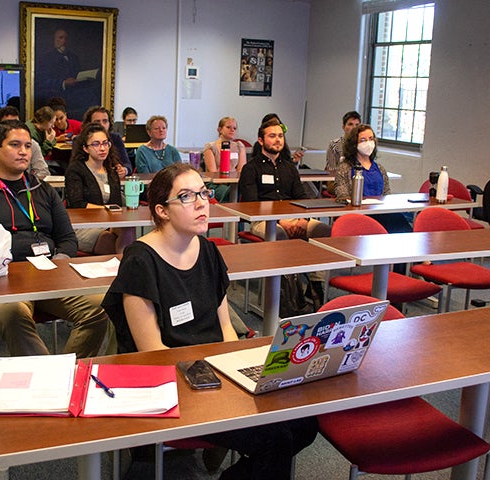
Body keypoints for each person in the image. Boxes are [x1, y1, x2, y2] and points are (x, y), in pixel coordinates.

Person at [101, 163, 318, 479]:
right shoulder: (140, 261)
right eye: (187, 196)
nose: (202, 202)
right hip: (175, 380)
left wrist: (239, 378)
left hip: (217, 372)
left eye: (203, 192)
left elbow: (225, 328)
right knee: (275, 440)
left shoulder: (207, 251)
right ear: (161, 210)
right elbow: (154, 352)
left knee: (306, 423)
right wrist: (218, 390)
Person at [0, 120, 115, 359]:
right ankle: (48, 381)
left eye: (27, 145)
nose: (24, 151)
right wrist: (0, 267)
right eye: (15, 145)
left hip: (48, 276)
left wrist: (57, 264)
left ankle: (69, 374)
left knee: (103, 308)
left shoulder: (42, 189)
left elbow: (66, 237)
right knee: (13, 314)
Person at [239, 118, 330, 299]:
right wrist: (280, 220)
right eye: (272, 136)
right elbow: (251, 204)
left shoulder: (290, 168)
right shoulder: (251, 168)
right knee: (279, 233)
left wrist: (303, 220)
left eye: (280, 136)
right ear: (261, 140)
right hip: (262, 221)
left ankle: (316, 285)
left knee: (324, 230)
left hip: (294, 217)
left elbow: (302, 197)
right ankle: (286, 288)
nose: (278, 140)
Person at [65, 123, 134, 254]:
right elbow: (77, 203)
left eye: (105, 143)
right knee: (107, 238)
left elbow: (117, 202)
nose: (102, 148)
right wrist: (106, 210)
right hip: (84, 225)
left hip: (109, 222)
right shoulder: (76, 170)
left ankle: (125, 269)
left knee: (128, 228)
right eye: (96, 144)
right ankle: (115, 269)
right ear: (86, 148)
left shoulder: (111, 170)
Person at [336, 124, 412, 234]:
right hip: (358, 214)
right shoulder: (344, 168)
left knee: (402, 225)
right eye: (363, 140)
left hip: (381, 212)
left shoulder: (380, 169)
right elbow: (342, 196)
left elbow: (386, 194)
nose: (368, 143)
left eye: (371, 139)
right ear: (354, 144)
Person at [34, 27, 101, 119]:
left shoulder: (73, 57)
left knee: (91, 94)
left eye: (65, 38)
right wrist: (64, 83)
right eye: (60, 38)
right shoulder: (46, 58)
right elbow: (42, 80)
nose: (64, 41)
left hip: (73, 92)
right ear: (54, 40)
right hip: (55, 94)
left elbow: (77, 74)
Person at [0, 106, 50, 180]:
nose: (23, 151)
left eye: (16, 123)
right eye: (15, 145)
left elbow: (43, 172)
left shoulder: (32, 144)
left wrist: (31, 184)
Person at [77, 106, 133, 176]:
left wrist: (124, 170)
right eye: (97, 121)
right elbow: (76, 167)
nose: (102, 125)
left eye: (105, 121)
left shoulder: (115, 138)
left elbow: (127, 164)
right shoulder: (79, 139)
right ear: (89, 123)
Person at [325, 111, 361, 195]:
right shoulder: (335, 145)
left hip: (359, 179)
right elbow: (332, 171)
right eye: (350, 124)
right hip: (338, 180)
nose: (354, 128)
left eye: (357, 125)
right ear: (343, 127)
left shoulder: (362, 145)